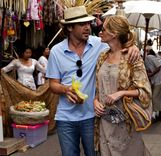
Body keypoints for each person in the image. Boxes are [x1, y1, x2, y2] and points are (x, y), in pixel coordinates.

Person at [45, 6, 140, 156]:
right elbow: (53, 84)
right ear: (70, 27)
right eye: (82, 24)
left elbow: (119, 42)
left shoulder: (99, 44)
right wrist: (66, 89)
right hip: (65, 118)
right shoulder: (56, 51)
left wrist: (133, 46)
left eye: (88, 23)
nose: (87, 27)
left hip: (93, 116)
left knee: (94, 153)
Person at [93, 15, 152, 156]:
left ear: (114, 34)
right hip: (104, 121)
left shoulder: (132, 57)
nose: (100, 32)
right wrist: (95, 101)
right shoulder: (102, 56)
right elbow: (98, 87)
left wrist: (121, 93)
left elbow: (144, 91)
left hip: (125, 122)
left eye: (104, 29)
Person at [144, 47, 161, 122]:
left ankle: (156, 115)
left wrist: (152, 74)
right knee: (156, 97)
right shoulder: (145, 59)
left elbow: (159, 66)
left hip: (159, 79)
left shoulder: (149, 57)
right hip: (155, 80)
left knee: (155, 97)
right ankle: (158, 114)